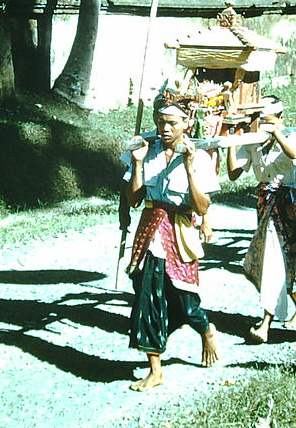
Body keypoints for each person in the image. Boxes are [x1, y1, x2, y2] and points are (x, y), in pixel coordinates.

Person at [121, 90, 220, 391]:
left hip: (180, 230)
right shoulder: (146, 151)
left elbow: (202, 207)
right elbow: (135, 198)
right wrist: (137, 164)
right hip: (150, 228)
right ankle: (156, 370)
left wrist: (188, 166)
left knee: (185, 301)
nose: (165, 129)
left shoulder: (199, 158)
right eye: (161, 122)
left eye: (172, 123)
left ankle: (205, 329)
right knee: (146, 295)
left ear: (187, 122)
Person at [227, 96, 296, 342]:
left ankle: (266, 323)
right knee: (272, 260)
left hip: (286, 204)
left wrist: (276, 133)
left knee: (276, 260)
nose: (263, 125)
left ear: (280, 118)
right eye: (260, 121)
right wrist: (234, 140)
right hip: (265, 204)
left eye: (268, 120)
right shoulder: (254, 142)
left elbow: (294, 153)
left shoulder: (293, 136)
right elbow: (233, 174)